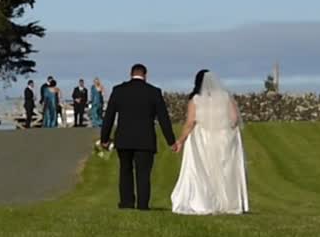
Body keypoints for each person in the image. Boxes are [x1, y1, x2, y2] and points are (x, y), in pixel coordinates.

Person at [170, 70, 249, 215]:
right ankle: (228, 203)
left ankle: (206, 201)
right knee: (224, 171)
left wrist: (181, 140)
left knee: (203, 171)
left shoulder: (196, 99)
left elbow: (190, 122)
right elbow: (234, 118)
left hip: (203, 139)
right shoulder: (225, 97)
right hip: (223, 138)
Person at [100, 63, 176, 210]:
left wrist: (104, 138)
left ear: (131, 74)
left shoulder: (119, 90)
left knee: (125, 171)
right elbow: (163, 118)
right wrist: (171, 141)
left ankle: (126, 202)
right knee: (143, 173)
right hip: (145, 139)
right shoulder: (154, 92)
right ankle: (142, 204)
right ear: (145, 75)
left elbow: (108, 116)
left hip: (124, 138)